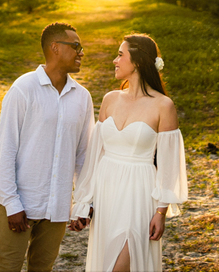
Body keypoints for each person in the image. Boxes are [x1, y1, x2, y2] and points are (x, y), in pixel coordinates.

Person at [71, 33, 188, 272]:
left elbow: (169, 165)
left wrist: (161, 211)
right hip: (107, 192)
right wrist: (84, 202)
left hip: (139, 193)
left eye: (120, 55)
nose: (115, 60)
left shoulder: (163, 106)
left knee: (123, 264)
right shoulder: (110, 100)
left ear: (137, 62)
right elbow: (95, 156)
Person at [0, 22, 94, 272]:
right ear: (55, 48)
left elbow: (84, 156)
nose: (81, 52)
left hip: (57, 207)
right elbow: (6, 150)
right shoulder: (23, 89)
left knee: (43, 268)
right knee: (8, 266)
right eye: (76, 46)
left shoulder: (83, 97)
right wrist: (11, 204)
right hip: (20, 204)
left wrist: (82, 203)